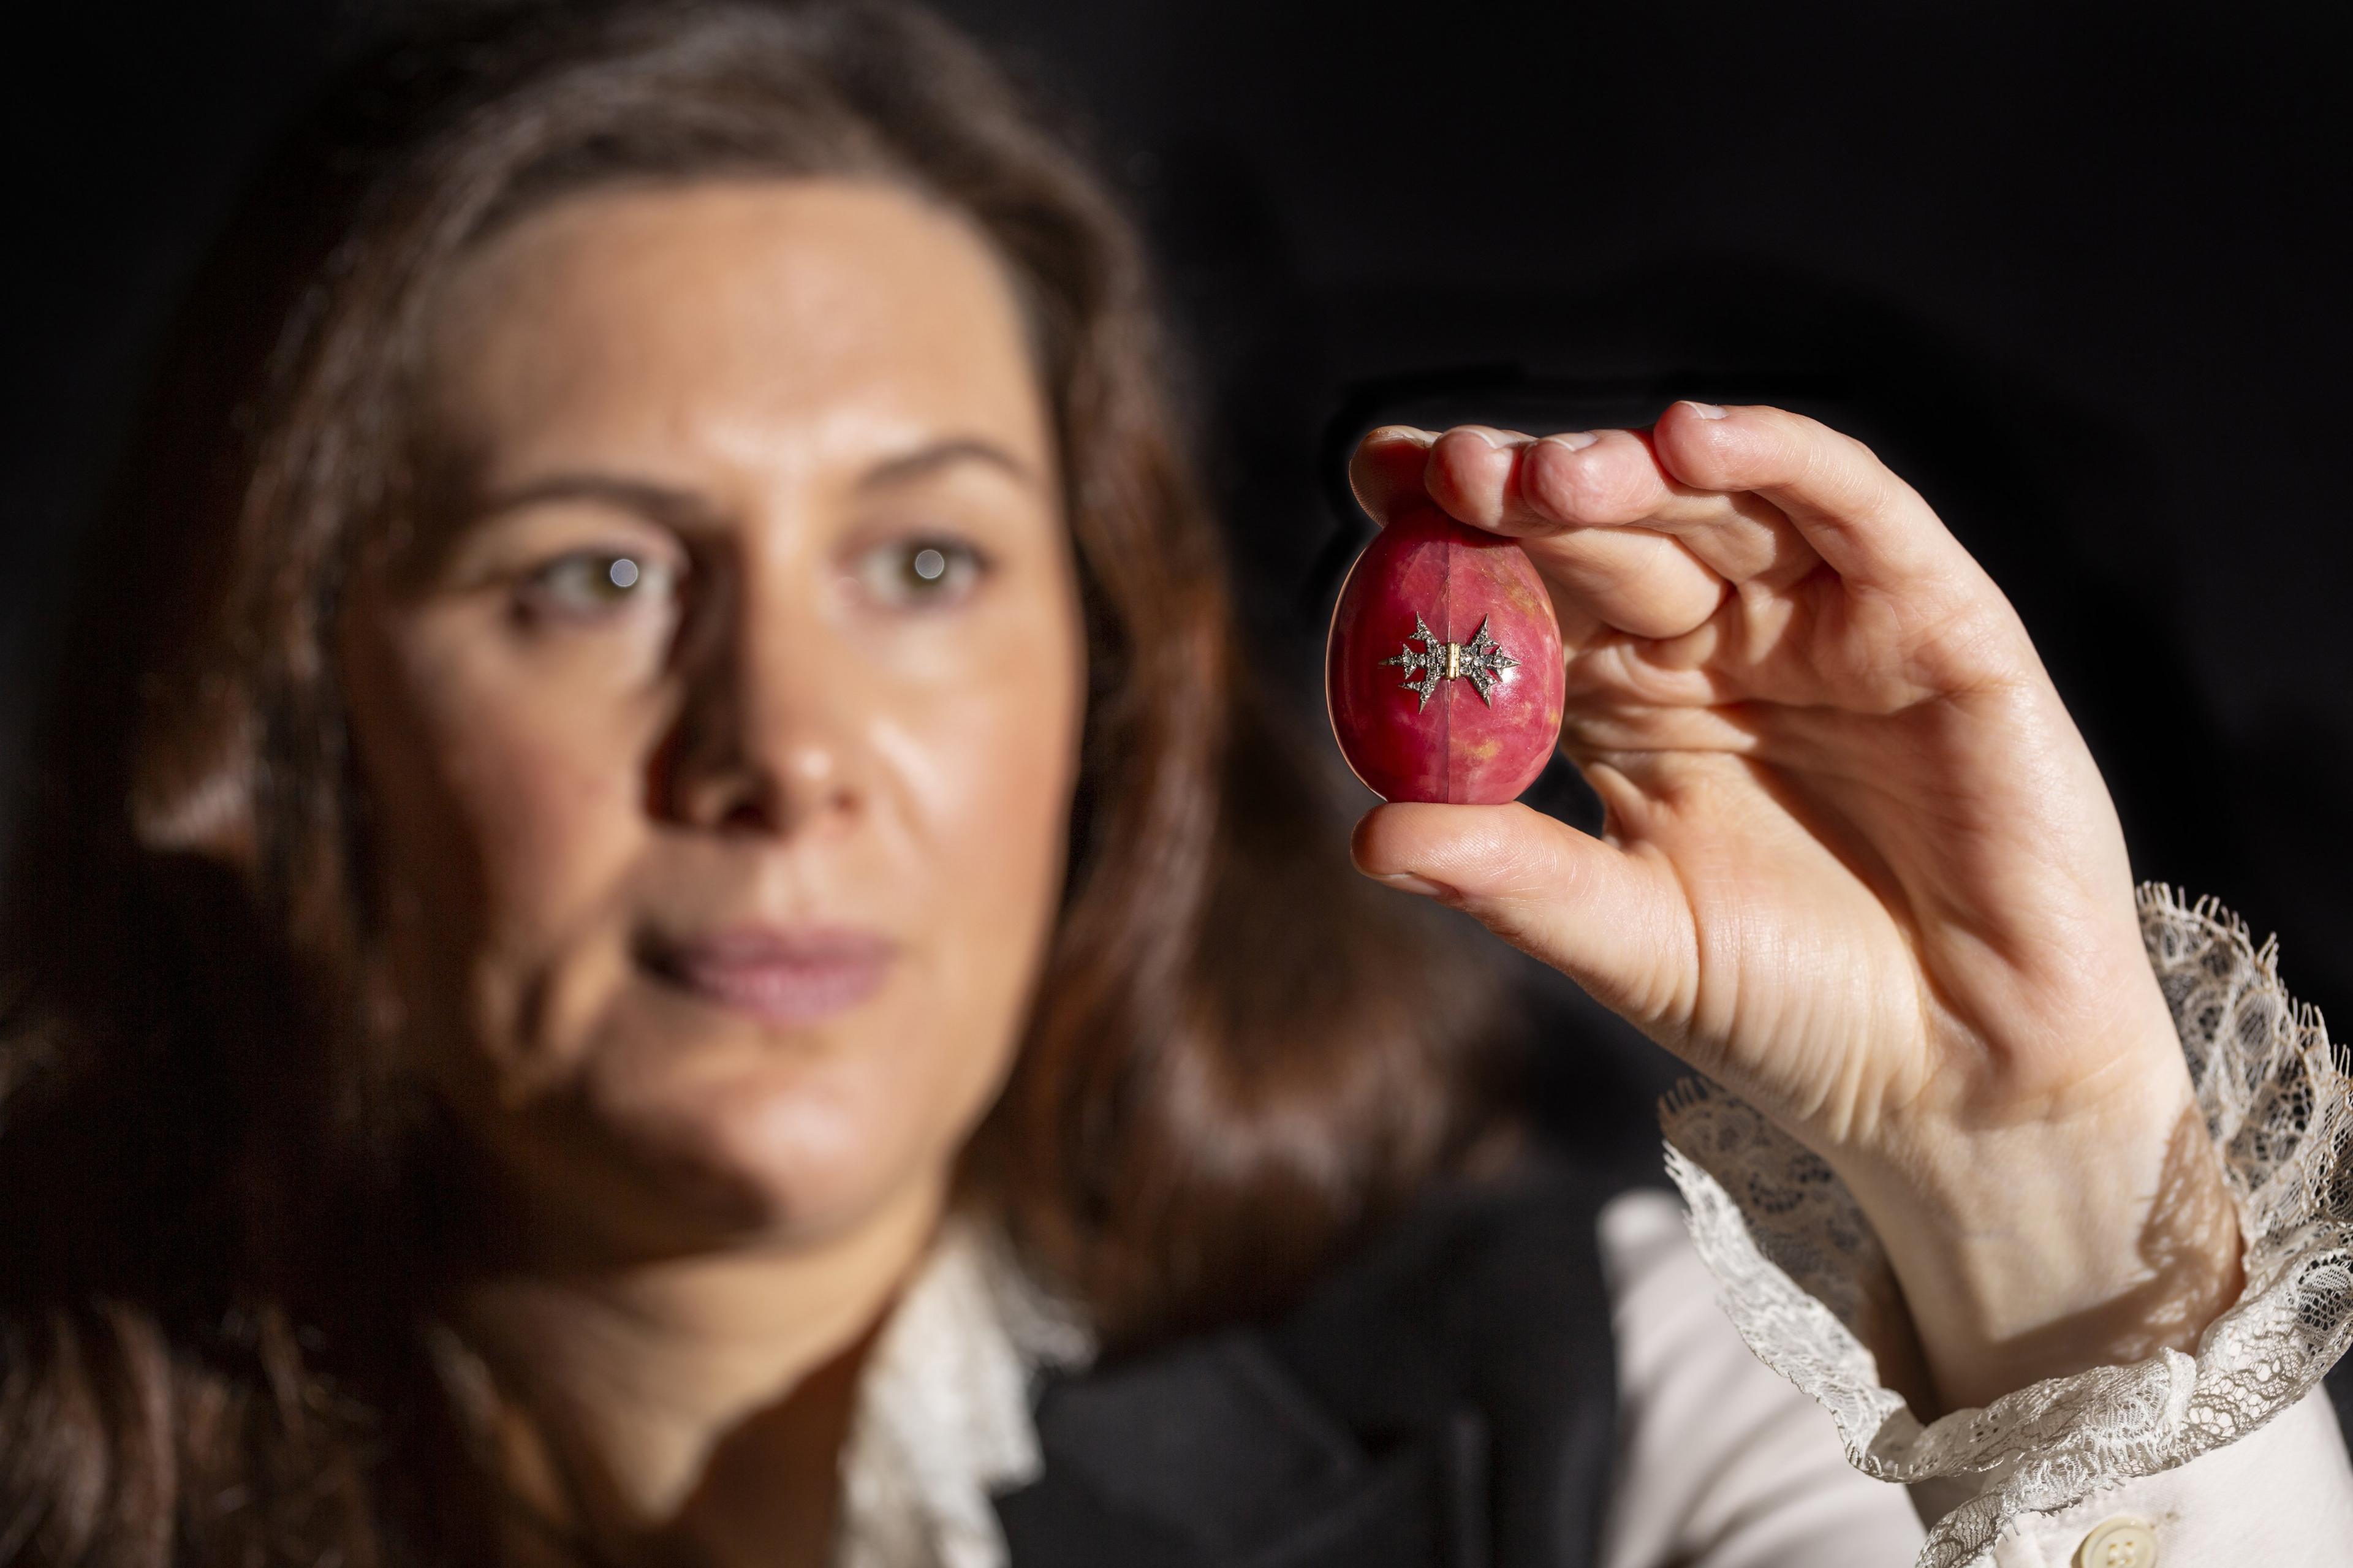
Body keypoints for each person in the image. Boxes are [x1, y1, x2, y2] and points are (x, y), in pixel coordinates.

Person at [2, 2, 2347, 1565]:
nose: (786, 749)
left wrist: (2025, 1185)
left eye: (925, 558)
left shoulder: (1609, 1410)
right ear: (290, 706)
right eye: (595, 573)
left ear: (1098, 700)